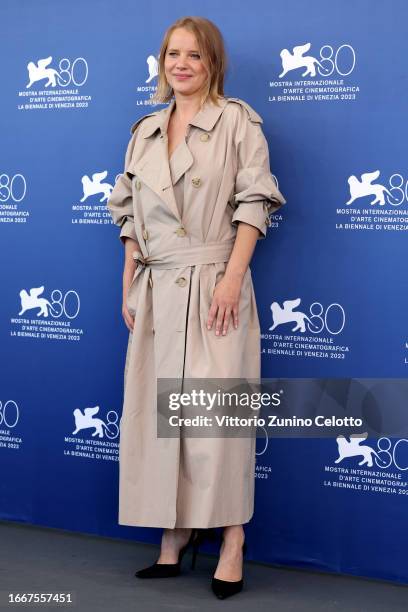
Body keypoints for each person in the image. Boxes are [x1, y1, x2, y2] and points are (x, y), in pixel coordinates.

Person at [107, 16, 286, 599]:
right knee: (162, 419)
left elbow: (256, 199)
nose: (180, 64)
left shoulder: (237, 121)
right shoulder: (147, 130)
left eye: (193, 55)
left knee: (215, 421)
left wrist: (233, 280)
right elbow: (130, 210)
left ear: (213, 62)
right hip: (158, 289)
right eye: (171, 53)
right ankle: (175, 533)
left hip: (215, 282)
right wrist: (131, 276)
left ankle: (232, 538)